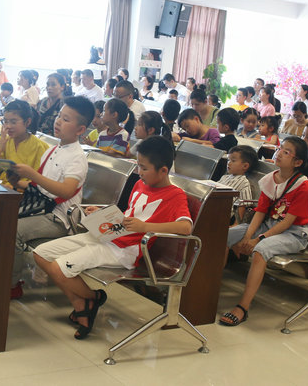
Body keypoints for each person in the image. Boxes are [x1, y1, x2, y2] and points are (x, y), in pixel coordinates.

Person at [34, 135, 193, 340]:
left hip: (125, 250)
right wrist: (102, 213)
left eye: (144, 168)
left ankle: (92, 299)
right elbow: (128, 214)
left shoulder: (175, 195)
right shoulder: (140, 184)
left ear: (163, 171)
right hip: (109, 235)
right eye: (138, 166)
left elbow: (185, 227)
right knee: (41, 254)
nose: (139, 172)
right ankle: (84, 303)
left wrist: (145, 226)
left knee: (58, 268)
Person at [219, 136, 308, 326]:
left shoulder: (303, 186)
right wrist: (247, 236)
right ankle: (210, 285)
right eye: (280, 149)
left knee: (260, 250)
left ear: (297, 162)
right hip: (268, 225)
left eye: (286, 152)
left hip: (293, 233)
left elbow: (287, 223)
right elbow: (260, 212)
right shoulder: (271, 179)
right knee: (223, 236)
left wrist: (257, 239)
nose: (279, 153)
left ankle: (243, 307)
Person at [8, 96, 94, 299]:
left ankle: (12, 285)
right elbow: (40, 187)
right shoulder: (52, 150)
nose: (58, 121)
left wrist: (32, 174)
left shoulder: (77, 158)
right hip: (41, 208)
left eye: (66, 119)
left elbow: (66, 191)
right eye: (59, 116)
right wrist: (16, 182)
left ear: (80, 129)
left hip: (59, 218)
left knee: (13, 230)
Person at [0, 100, 48, 188]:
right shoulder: (4, 140)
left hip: (21, 192)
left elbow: (40, 184)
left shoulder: (40, 147)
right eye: (5, 121)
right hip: (0, 187)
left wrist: (13, 185)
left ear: (27, 122)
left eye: (13, 122)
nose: (8, 126)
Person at [218, 145, 257, 223]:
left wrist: (236, 224)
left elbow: (243, 205)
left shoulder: (244, 183)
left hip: (223, 216)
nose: (228, 163)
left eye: (233, 161)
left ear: (245, 166)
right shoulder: (225, 177)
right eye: (228, 160)